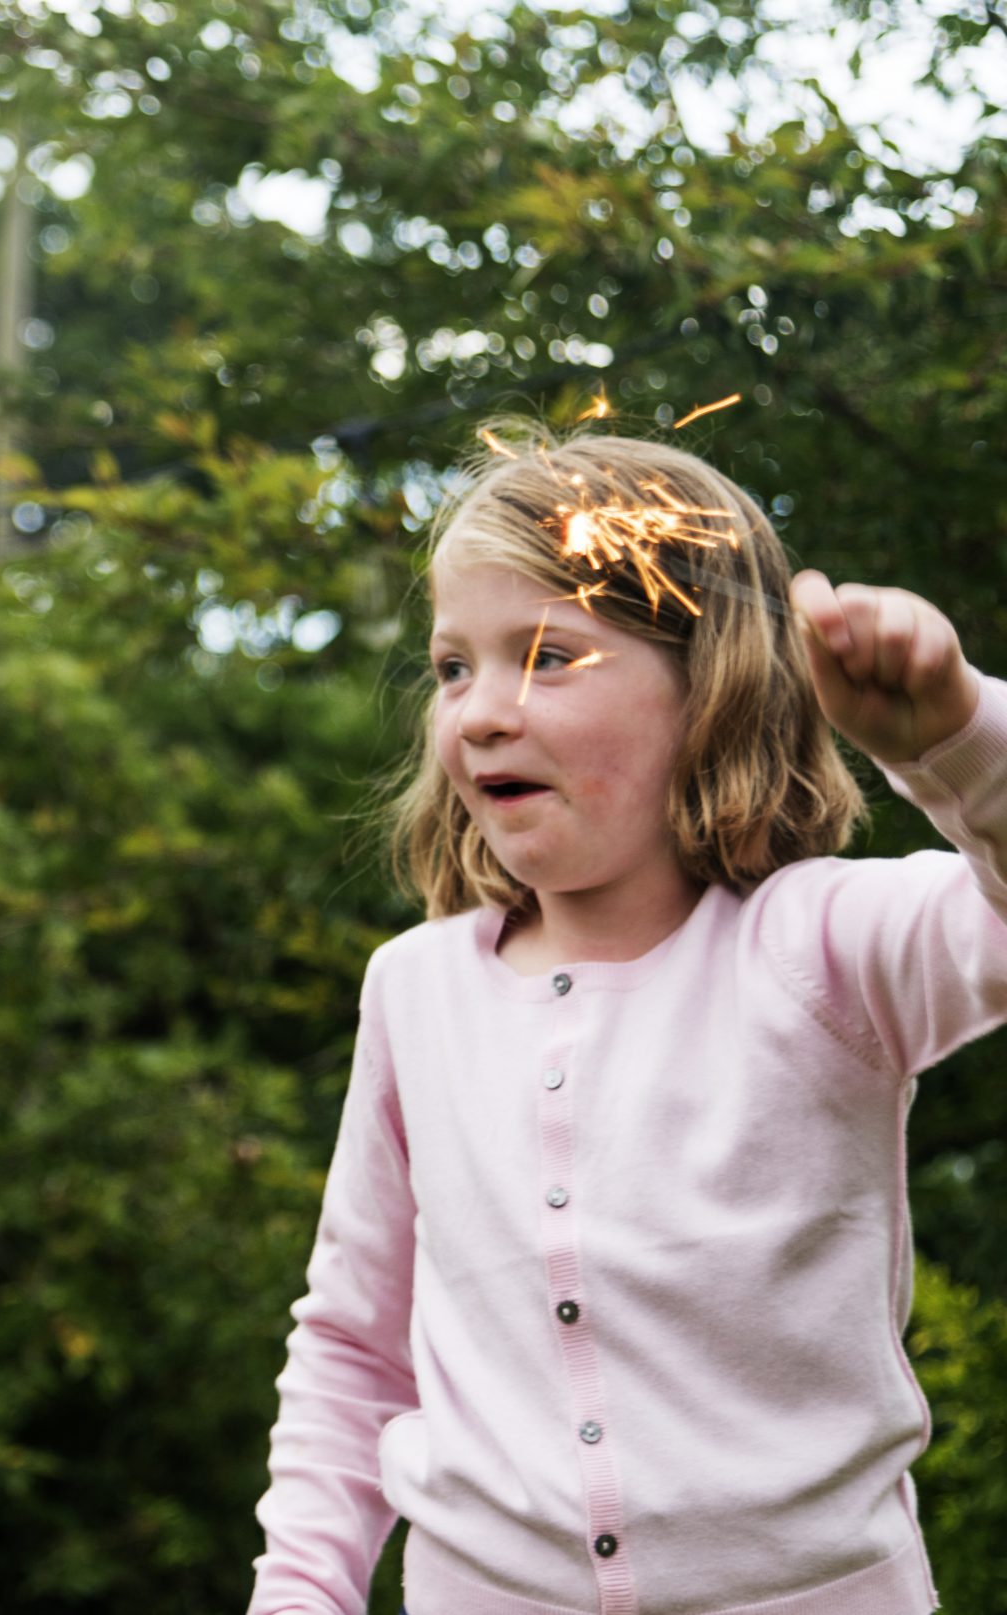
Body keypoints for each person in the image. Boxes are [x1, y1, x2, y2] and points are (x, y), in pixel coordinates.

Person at [249, 424, 1003, 1614]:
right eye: (454, 666)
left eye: (548, 655)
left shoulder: (823, 948)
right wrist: (299, 1594)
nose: (481, 712)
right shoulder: (415, 989)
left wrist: (960, 739)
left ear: (709, 692)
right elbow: (354, 1347)